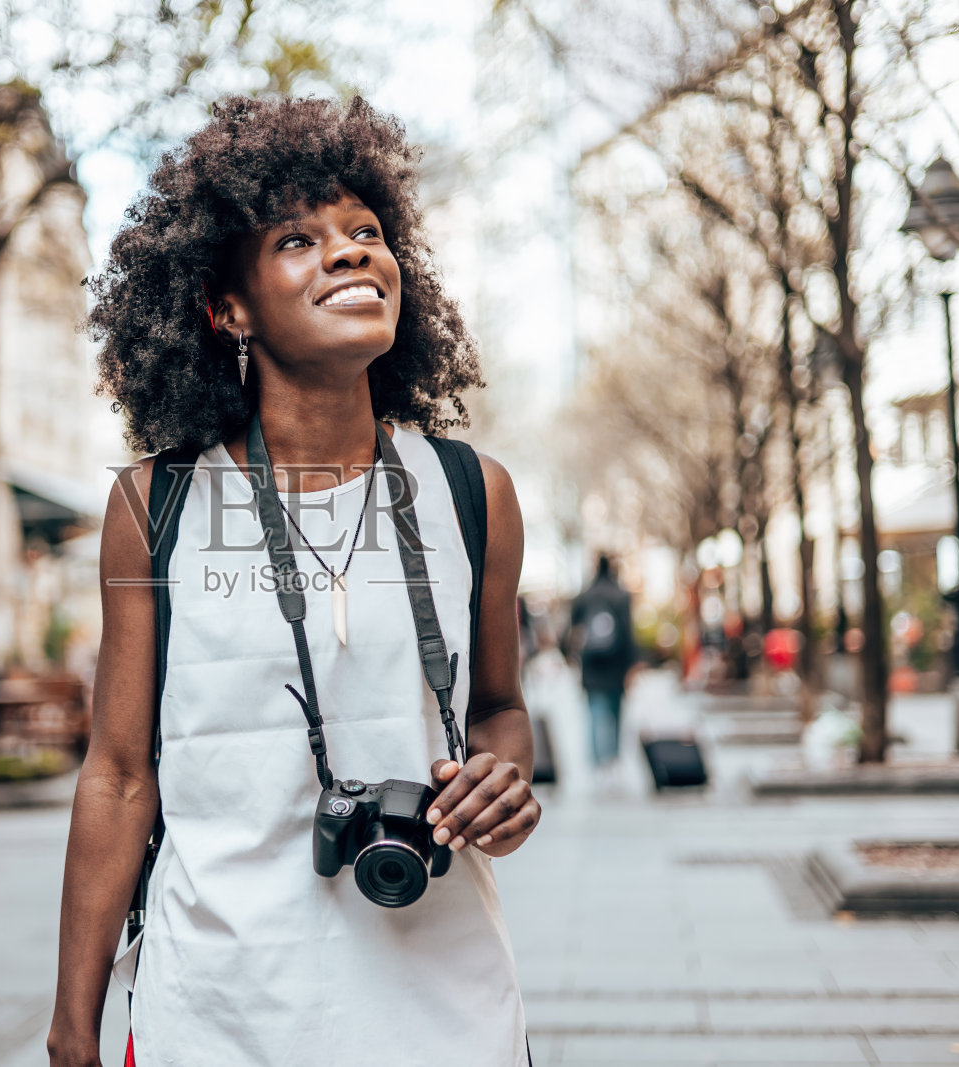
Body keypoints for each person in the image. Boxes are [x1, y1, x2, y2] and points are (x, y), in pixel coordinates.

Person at [48, 96, 538, 1067]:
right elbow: (117, 770)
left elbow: (498, 707)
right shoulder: (158, 504)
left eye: (365, 232)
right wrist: (73, 1022)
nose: (351, 252)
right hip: (217, 1013)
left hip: (447, 1007)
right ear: (224, 306)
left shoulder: (471, 492)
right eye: (299, 240)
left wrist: (504, 780)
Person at [568, 555, 636, 769]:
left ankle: (599, 761)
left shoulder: (584, 596)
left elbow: (571, 630)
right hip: (617, 665)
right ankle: (612, 758)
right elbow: (629, 633)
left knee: (595, 710)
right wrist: (633, 664)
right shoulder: (622, 595)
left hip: (591, 665)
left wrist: (569, 655)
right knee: (615, 710)